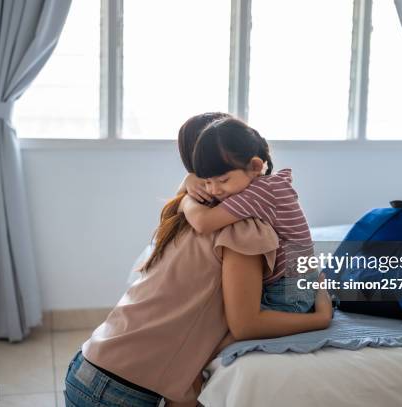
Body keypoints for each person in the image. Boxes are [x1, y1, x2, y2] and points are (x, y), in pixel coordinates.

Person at [63, 113, 333, 407]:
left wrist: (186, 192)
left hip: (89, 366)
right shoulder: (241, 228)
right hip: (120, 390)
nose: (217, 186)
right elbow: (245, 325)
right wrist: (319, 319)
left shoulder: (178, 215)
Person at [180, 117, 317, 313]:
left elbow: (203, 222)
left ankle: (315, 320)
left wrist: (185, 199)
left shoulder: (259, 192)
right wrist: (188, 180)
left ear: (255, 166)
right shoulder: (260, 184)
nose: (214, 190)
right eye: (207, 182)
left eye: (223, 180)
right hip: (293, 282)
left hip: (290, 291)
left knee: (231, 329)